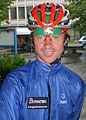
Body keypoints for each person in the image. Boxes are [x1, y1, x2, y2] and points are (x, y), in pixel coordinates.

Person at [0, 2, 85, 120]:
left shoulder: (76, 84)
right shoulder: (15, 83)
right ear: (32, 41)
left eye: (55, 37)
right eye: (40, 37)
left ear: (65, 41)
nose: (47, 44)